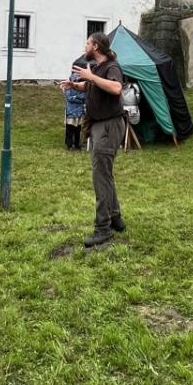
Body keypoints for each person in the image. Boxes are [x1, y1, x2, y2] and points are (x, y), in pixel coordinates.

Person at [61, 32, 126, 248]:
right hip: (100, 125)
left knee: (101, 177)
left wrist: (91, 77)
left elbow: (116, 88)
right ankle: (115, 218)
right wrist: (75, 85)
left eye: (88, 43)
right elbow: (91, 86)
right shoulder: (97, 69)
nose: (85, 46)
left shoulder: (111, 67)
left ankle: (103, 228)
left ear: (96, 46)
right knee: (105, 174)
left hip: (109, 125)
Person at [63, 70, 86, 150]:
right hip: (71, 112)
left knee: (78, 129)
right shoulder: (68, 87)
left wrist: (76, 98)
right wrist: (78, 98)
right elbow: (69, 98)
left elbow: (84, 97)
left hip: (79, 112)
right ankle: (69, 145)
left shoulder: (82, 87)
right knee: (69, 129)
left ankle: (77, 144)